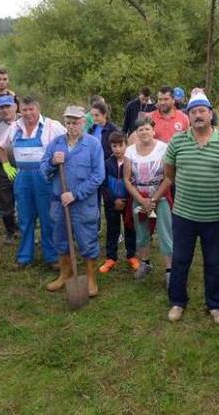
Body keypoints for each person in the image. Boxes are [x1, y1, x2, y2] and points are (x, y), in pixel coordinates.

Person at [164, 90, 219, 324]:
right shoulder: (178, 141)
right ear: (188, 116)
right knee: (180, 259)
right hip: (184, 214)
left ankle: (215, 305)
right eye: (193, 112)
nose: (198, 115)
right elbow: (169, 172)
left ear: (210, 114)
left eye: (202, 111)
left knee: (215, 262)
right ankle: (177, 302)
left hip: (215, 216)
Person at [42, 106, 105, 296]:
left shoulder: (93, 144)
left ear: (83, 122)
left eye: (75, 122)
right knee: (60, 239)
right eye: (68, 122)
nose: (72, 126)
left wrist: (75, 194)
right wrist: (52, 162)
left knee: (87, 240)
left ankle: (91, 279)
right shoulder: (56, 144)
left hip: (83, 203)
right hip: (59, 202)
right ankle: (65, 274)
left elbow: (98, 175)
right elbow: (43, 170)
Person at [0, 96, 66, 269]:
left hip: (45, 177)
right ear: (20, 110)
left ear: (38, 108)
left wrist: (60, 160)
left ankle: (52, 257)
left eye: (31, 109)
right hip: (22, 177)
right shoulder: (14, 127)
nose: (28, 113)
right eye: (24, 110)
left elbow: (69, 142)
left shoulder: (52, 126)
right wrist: (6, 164)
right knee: (25, 217)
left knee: (47, 217)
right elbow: (0, 145)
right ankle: (25, 257)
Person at [124, 117, 174, 285]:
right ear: (136, 133)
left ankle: (170, 270)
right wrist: (141, 200)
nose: (144, 132)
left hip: (160, 197)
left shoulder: (163, 148)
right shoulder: (130, 151)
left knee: (165, 233)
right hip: (139, 197)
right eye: (140, 130)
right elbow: (126, 179)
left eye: (147, 129)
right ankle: (145, 263)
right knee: (142, 232)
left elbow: (168, 177)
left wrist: (152, 200)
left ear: (153, 130)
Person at [99, 132, 139, 274]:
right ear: (110, 147)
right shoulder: (106, 163)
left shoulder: (132, 162)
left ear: (126, 145)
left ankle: (132, 255)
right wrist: (113, 200)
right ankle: (111, 258)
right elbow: (103, 185)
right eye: (114, 146)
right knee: (112, 229)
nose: (118, 149)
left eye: (120, 145)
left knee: (130, 228)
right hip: (112, 204)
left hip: (128, 202)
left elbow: (135, 182)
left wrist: (127, 199)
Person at [0, 96, 20, 241]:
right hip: (3, 168)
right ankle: (10, 231)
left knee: (24, 200)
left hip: (24, 167)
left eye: (8, 106)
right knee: (6, 201)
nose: (5, 110)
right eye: (2, 107)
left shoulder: (25, 120)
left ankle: (25, 230)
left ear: (15, 107)